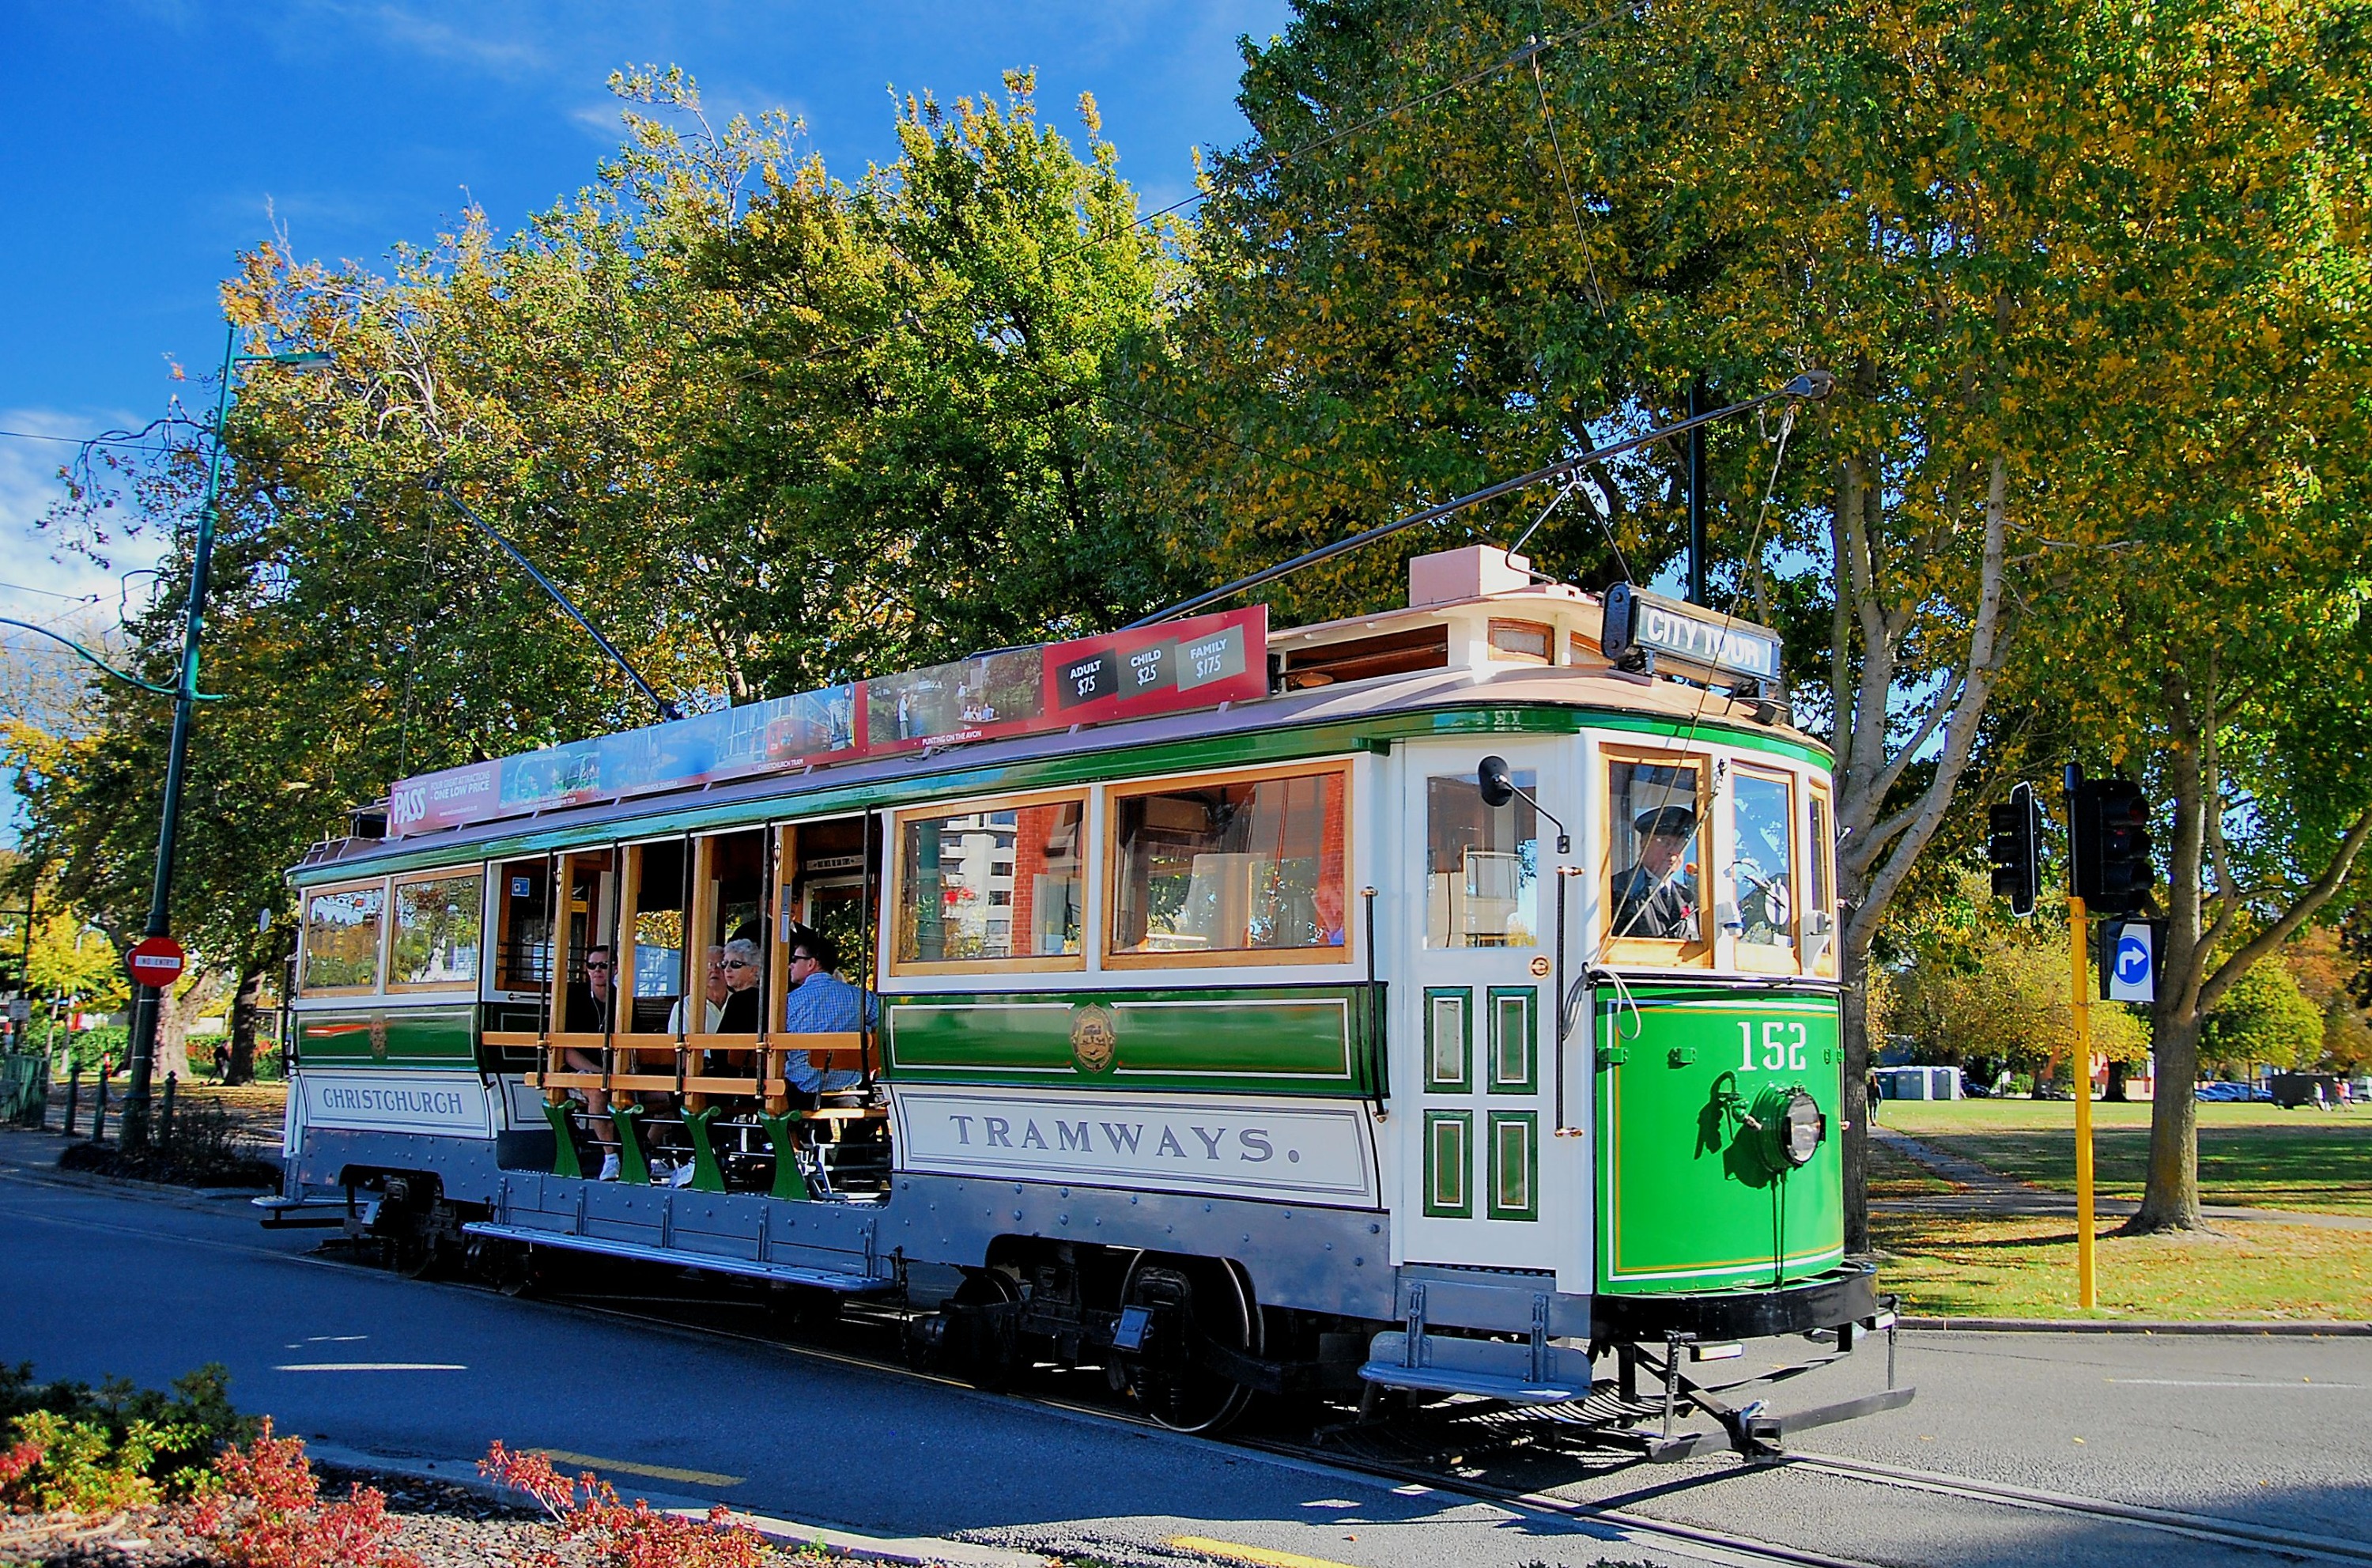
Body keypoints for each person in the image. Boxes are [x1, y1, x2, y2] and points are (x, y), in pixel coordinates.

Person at [778, 928, 869, 1099]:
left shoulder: (787, 1002)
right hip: (848, 1088)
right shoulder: (861, 998)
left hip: (803, 1089)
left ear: (811, 963)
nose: (790, 965)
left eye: (795, 959)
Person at [562, 946, 619, 1179]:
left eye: (603, 965)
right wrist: (600, 1072)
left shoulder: (622, 1001)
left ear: (614, 969)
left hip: (617, 1072)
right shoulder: (573, 997)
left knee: (667, 1095)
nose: (597, 970)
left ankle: (647, 1150)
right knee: (597, 1092)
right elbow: (567, 1052)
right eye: (592, 966)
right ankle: (611, 1157)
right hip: (579, 1071)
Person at [1608, 805, 1698, 941]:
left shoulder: (1686, 896)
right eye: (1665, 842)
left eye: (1679, 844)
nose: (1673, 851)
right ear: (1644, 844)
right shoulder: (1619, 889)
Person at [667, 945, 727, 1035]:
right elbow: (682, 1045)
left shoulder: (739, 1001)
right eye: (709, 965)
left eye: (721, 965)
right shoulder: (685, 1006)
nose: (714, 970)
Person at [716, 937, 764, 1033]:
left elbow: (721, 1045)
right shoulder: (765, 997)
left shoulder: (739, 1000)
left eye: (735, 964)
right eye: (724, 964)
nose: (727, 969)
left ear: (753, 969)